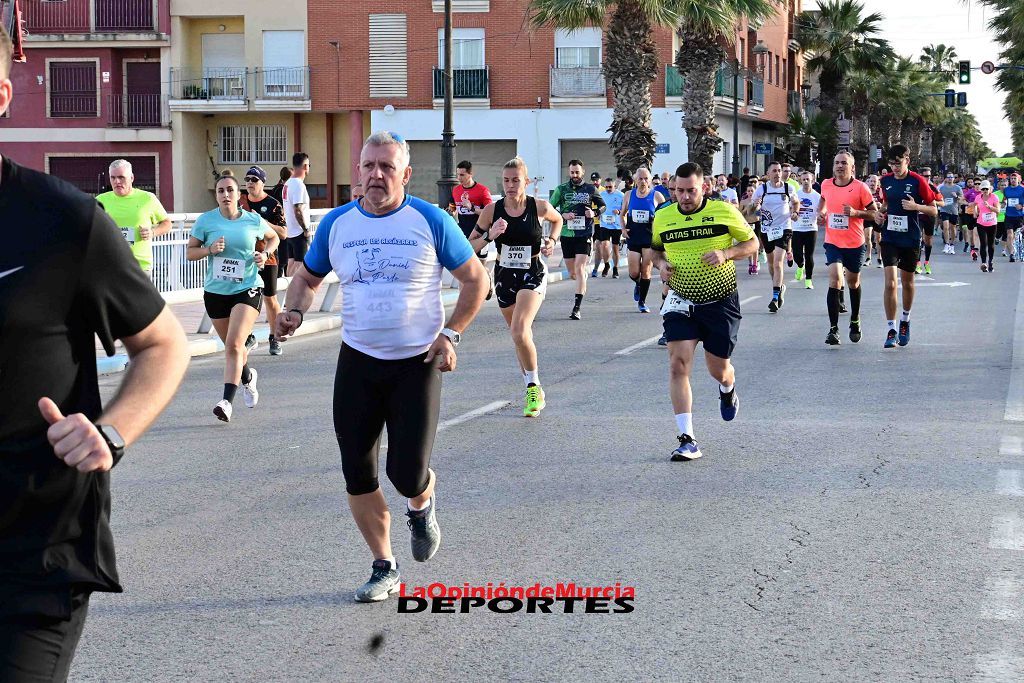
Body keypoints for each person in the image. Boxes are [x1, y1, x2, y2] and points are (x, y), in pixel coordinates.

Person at [0, 24, 189, 680]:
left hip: (32, 556)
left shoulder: (61, 220)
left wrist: (110, 431)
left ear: (1, 94)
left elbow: (164, 344)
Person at [275, 131, 488, 603]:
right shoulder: (337, 224)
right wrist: (294, 309)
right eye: (369, 166)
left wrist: (451, 333)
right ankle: (384, 565)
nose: (376, 175)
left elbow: (476, 279)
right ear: (359, 171)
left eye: (387, 167)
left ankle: (422, 503)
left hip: (418, 362)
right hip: (358, 362)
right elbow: (308, 276)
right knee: (357, 470)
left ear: (406, 174)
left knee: (408, 473)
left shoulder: (430, 221)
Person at [651, 162, 759, 461]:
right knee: (677, 365)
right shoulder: (664, 217)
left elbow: (753, 243)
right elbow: (655, 249)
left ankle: (728, 387)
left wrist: (726, 253)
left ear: (705, 188)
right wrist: (661, 265)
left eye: (691, 191)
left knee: (718, 369)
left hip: (720, 301)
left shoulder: (724, 211)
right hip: (681, 300)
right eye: (679, 191)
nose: (684, 197)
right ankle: (687, 439)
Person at [469, 157, 563, 417]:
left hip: (532, 271)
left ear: (526, 181)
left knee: (520, 330)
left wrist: (552, 241)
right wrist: (491, 235)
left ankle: (533, 388)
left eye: (516, 180)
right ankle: (532, 386)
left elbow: (558, 221)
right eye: (506, 180)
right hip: (504, 276)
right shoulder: (491, 210)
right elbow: (470, 246)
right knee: (518, 336)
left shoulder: (539, 207)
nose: (510, 185)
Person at [187, 171, 280, 422]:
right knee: (233, 349)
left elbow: (273, 238)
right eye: (221, 191)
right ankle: (248, 377)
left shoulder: (252, 220)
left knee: (235, 345)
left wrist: (265, 254)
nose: (226, 194)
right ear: (216, 196)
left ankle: (226, 401)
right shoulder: (206, 221)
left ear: (239, 195)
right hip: (216, 292)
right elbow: (190, 253)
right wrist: (208, 249)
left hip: (247, 287)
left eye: (230, 190)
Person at [875, 144, 940, 348]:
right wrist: (880, 213)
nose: (895, 167)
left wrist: (916, 207)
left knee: (908, 283)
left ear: (907, 161)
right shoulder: (885, 181)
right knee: (890, 283)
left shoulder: (917, 181)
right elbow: (886, 203)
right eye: (892, 163)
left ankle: (905, 320)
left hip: (910, 238)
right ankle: (891, 329)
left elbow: (934, 210)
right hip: (890, 237)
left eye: (899, 163)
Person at [819, 152, 877, 345]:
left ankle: (855, 320)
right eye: (837, 163)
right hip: (833, 241)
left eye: (844, 163)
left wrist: (855, 213)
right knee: (835, 280)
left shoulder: (860, 188)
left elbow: (874, 214)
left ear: (853, 168)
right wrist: (821, 213)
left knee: (852, 282)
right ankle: (833, 330)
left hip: (854, 243)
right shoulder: (826, 184)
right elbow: (823, 201)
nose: (840, 166)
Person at [240, 166, 288, 356]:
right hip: (245, 258)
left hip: (267, 258)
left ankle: (274, 337)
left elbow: (284, 233)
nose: (250, 183)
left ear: (263, 183)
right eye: (248, 179)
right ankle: (249, 335)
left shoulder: (273, 204)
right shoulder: (240, 203)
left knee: (269, 298)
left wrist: (262, 222)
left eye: (255, 180)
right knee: (244, 298)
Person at [96, 159, 172, 276]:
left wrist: (152, 233)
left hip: (139, 267)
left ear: (131, 178)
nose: (117, 181)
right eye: (113, 177)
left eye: (121, 177)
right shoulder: (101, 200)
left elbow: (167, 223)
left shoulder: (147, 198)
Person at [550, 159, 605, 320]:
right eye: (572, 172)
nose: (574, 175)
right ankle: (581, 280)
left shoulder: (590, 189)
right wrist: (562, 215)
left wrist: (594, 213)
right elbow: (549, 208)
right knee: (573, 272)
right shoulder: (561, 189)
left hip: (584, 234)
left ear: (583, 172)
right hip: (567, 235)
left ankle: (576, 308)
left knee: (580, 268)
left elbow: (602, 205)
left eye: (577, 172)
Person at [752, 161, 799, 312]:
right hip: (767, 229)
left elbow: (796, 202)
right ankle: (779, 287)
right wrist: (756, 206)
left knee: (778, 263)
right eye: (774, 171)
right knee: (771, 265)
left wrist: (795, 212)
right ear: (768, 174)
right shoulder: (762, 189)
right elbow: (752, 209)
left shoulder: (788, 188)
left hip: (784, 227)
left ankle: (774, 297)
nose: (778, 173)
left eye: (779, 171)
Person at [621, 168, 665, 313]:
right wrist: (623, 229)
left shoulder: (656, 195)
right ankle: (638, 284)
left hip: (649, 238)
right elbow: (622, 214)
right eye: (640, 178)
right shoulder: (629, 194)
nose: (643, 181)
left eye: (646, 178)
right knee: (634, 273)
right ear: (635, 180)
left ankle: (642, 302)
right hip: (633, 236)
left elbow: (666, 216)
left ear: (650, 180)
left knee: (646, 270)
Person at [452, 160, 495, 300]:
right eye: (458, 174)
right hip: (462, 234)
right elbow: (453, 205)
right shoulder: (456, 190)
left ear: (471, 174)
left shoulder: (482, 190)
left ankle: (487, 276)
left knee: (480, 267)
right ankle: (463, 298)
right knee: (462, 266)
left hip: (479, 234)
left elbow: (490, 212)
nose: (459, 178)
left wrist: (472, 208)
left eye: (462, 175)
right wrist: (450, 211)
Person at [282, 152, 311, 276]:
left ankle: (287, 292)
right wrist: (305, 229)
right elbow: (297, 209)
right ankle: (294, 291)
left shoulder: (287, 183)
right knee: (299, 264)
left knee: (291, 262)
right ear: (305, 166)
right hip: (298, 231)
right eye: (309, 165)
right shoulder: (299, 185)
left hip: (289, 231)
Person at [792, 170, 821, 290]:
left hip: (811, 228)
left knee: (809, 255)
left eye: (808, 179)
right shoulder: (796, 194)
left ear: (813, 181)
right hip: (797, 228)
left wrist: (820, 216)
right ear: (800, 181)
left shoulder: (817, 196)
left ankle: (808, 280)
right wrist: (793, 214)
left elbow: (821, 210)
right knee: (797, 254)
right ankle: (800, 265)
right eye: (803, 179)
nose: (805, 182)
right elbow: (790, 208)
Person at [595, 176, 624, 278]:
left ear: (614, 186)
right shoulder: (601, 195)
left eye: (610, 187)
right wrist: (598, 213)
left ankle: (615, 269)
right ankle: (607, 264)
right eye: (606, 187)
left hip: (616, 226)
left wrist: (619, 212)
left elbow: (625, 209)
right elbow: (599, 207)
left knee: (615, 248)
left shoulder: (621, 195)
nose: (608, 189)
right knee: (605, 245)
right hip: (604, 224)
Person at [914, 167, 941, 275]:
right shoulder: (915, 186)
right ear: (920, 176)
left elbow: (942, 202)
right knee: (919, 238)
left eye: (929, 176)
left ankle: (927, 262)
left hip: (929, 216)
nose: (928, 178)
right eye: (925, 176)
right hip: (918, 216)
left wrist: (932, 202)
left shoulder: (932, 188)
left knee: (928, 240)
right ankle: (918, 263)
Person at [974, 180, 1001, 273]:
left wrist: (989, 206)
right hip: (981, 223)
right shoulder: (978, 197)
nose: (985, 190)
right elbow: (975, 205)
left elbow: (998, 210)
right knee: (983, 243)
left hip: (992, 224)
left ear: (990, 189)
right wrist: (975, 211)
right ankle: (984, 263)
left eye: (986, 188)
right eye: (983, 189)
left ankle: (990, 261)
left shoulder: (994, 197)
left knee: (991, 244)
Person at [938, 172, 964, 257]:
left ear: (954, 178)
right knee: (945, 227)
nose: (950, 178)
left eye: (951, 177)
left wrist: (956, 196)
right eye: (948, 177)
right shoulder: (942, 188)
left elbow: (961, 199)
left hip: (954, 210)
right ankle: (947, 244)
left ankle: (952, 245)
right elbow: (938, 197)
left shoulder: (958, 188)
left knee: (953, 228)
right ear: (945, 178)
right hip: (944, 209)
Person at [1003, 172, 1024, 262]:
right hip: (1009, 215)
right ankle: (1012, 254)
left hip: (1019, 216)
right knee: (1010, 235)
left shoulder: (1022, 189)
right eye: (1011, 178)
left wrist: (1022, 206)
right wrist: (1003, 204)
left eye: (1015, 178)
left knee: (1018, 236)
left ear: (1019, 179)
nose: (1013, 180)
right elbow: (1004, 200)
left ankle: (1020, 252)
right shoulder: (1006, 190)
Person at [962, 177, 979, 258]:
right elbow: (962, 200)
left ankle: (975, 249)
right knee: (971, 233)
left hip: (978, 215)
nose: (977, 185)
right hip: (969, 214)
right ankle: (972, 247)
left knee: (976, 232)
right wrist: (967, 203)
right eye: (976, 184)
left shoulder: (983, 193)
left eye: (979, 184)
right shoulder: (970, 192)